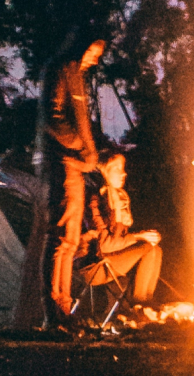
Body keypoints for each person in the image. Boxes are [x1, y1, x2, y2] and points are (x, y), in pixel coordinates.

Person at [40, 36, 107, 321]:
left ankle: (63, 309)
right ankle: (56, 310)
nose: (95, 59)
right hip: (65, 163)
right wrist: (80, 145)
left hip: (77, 165)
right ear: (81, 45)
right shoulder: (62, 71)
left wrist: (92, 152)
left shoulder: (76, 76)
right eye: (93, 51)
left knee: (71, 237)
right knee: (63, 239)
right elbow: (52, 117)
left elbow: (80, 118)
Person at [78, 153, 163, 303]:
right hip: (95, 266)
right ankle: (138, 304)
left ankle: (147, 302)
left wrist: (144, 236)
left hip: (111, 260)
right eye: (116, 168)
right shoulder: (96, 201)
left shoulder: (118, 199)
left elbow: (120, 242)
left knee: (155, 249)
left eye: (122, 168)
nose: (123, 173)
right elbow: (105, 245)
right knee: (147, 247)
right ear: (104, 172)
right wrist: (138, 236)